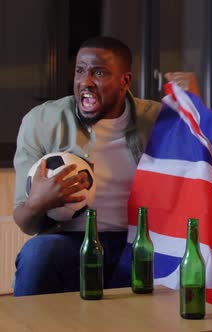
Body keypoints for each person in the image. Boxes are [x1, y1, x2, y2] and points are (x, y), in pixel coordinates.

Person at [12, 36, 199, 296]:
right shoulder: (42, 122)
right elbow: (25, 222)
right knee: (38, 254)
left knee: (191, 259)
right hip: (71, 241)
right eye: (80, 71)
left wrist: (194, 105)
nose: (85, 82)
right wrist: (37, 203)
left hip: (140, 242)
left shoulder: (157, 119)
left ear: (125, 81)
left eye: (98, 73)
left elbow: (206, 156)